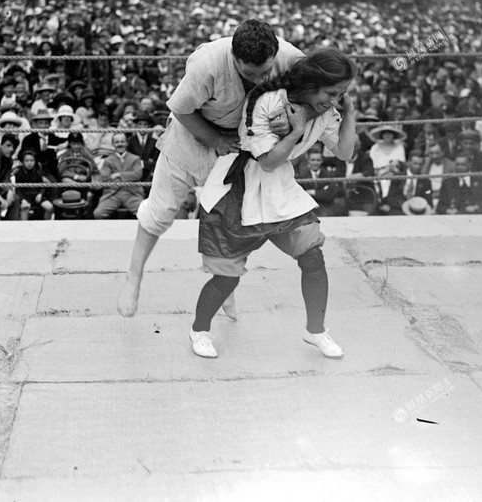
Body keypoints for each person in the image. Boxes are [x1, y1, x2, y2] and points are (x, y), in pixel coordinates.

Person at [117, 19, 303, 318]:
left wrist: (291, 116)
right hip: (189, 137)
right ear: (234, 56)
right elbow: (180, 108)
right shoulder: (208, 63)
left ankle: (225, 289)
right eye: (248, 73)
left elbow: (311, 90)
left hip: (237, 145)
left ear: (274, 54)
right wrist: (214, 138)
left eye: (264, 72)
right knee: (162, 211)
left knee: (232, 219)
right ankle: (133, 276)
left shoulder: (289, 57)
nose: (258, 79)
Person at [190, 48, 356, 359]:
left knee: (313, 257)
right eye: (332, 92)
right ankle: (199, 329)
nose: (334, 100)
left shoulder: (328, 110)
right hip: (239, 190)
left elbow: (346, 153)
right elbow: (266, 161)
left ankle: (316, 330)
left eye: (341, 94)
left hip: (280, 191)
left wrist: (349, 113)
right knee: (227, 276)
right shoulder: (268, 101)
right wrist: (294, 131)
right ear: (311, 82)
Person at [93, 133, 145, 219]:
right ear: (113, 144)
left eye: (122, 141)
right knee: (98, 213)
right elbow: (105, 177)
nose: (120, 144)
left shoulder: (135, 158)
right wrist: (128, 177)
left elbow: (137, 174)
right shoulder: (108, 160)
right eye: (117, 142)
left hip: (131, 193)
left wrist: (118, 175)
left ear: (126, 143)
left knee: (145, 214)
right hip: (113, 194)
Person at [13, 149, 54, 220]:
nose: (29, 163)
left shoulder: (38, 172)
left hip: (37, 195)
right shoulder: (18, 173)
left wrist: (40, 194)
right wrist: (22, 200)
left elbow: (42, 186)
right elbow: (17, 190)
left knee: (50, 207)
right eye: (27, 161)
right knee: (25, 207)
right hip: (24, 197)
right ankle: (24, 227)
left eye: (32, 160)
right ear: (22, 162)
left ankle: (46, 225)